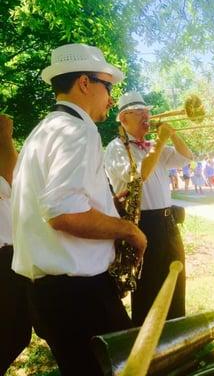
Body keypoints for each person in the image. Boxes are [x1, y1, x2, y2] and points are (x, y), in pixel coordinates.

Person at [11, 43, 147, 376]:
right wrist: (128, 229)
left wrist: (109, 207)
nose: (111, 99)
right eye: (108, 87)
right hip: (78, 296)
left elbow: (53, 204)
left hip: (49, 295)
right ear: (85, 83)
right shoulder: (79, 130)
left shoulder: (41, 133)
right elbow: (62, 212)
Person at [105, 91, 193, 326]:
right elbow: (138, 176)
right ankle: (149, 345)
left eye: (148, 111)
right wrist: (162, 141)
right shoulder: (115, 148)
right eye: (140, 112)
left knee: (176, 280)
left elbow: (187, 157)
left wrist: (172, 135)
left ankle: (177, 337)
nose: (148, 116)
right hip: (142, 224)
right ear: (124, 118)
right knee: (150, 287)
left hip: (168, 222)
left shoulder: (152, 145)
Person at [0, 115, 32, 374]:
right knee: (13, 332)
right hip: (3, 257)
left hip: (17, 253)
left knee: (18, 332)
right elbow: (16, 179)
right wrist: (4, 134)